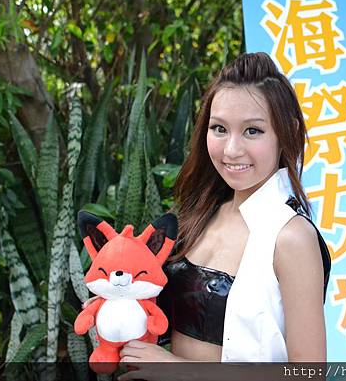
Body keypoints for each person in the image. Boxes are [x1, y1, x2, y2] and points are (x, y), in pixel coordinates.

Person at [114, 52, 331, 379]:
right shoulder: (200, 214)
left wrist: (181, 371)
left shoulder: (290, 237)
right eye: (219, 128)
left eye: (252, 131)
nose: (231, 150)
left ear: (287, 132)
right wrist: (116, 309)